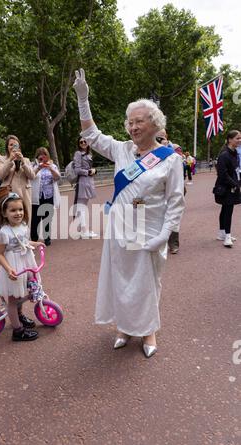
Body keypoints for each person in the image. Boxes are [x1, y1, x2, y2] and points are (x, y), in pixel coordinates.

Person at [73, 69, 185, 357]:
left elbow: (175, 201)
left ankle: (148, 331)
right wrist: (82, 98)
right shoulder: (122, 150)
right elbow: (91, 135)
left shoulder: (171, 160)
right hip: (120, 227)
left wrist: (164, 235)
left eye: (139, 121)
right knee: (121, 278)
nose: (133, 127)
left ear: (155, 124)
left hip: (149, 230)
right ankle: (124, 326)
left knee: (146, 282)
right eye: (130, 122)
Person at [0, 192, 44, 341]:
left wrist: (36, 244)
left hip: (26, 262)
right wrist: (9, 269)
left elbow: (25, 242)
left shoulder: (23, 226)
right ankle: (18, 331)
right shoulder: (4, 232)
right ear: (4, 213)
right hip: (13, 265)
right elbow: (0, 254)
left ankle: (20, 315)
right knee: (13, 299)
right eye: (13, 210)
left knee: (21, 292)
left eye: (20, 209)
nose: (18, 213)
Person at [0, 135, 35, 226]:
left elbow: (32, 176)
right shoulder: (1, 159)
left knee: (26, 220)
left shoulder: (26, 160)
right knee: (10, 222)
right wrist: (10, 159)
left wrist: (23, 162)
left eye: (15, 145)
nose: (13, 147)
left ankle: (26, 239)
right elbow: (0, 175)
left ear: (19, 147)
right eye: (11, 145)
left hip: (25, 195)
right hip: (9, 194)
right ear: (7, 147)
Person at [214, 130, 241, 247]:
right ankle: (227, 236)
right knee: (228, 211)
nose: (240, 140)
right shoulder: (224, 155)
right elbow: (223, 175)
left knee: (225, 209)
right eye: (237, 138)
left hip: (232, 186)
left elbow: (236, 170)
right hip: (226, 187)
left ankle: (222, 233)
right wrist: (235, 184)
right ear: (230, 139)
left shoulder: (234, 153)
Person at [30, 147, 61, 245]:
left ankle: (47, 238)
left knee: (47, 218)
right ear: (37, 157)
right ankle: (34, 239)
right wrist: (39, 167)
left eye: (45, 155)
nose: (42, 157)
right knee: (35, 219)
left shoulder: (52, 166)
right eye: (40, 155)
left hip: (48, 196)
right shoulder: (33, 165)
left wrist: (50, 168)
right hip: (36, 197)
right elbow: (30, 177)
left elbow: (57, 177)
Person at [73, 136, 98, 238]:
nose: (83, 143)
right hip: (83, 182)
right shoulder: (78, 154)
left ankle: (81, 230)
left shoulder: (89, 154)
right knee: (81, 207)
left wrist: (94, 171)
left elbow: (90, 168)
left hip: (88, 181)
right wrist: (88, 172)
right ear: (78, 144)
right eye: (81, 142)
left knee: (82, 207)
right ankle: (84, 231)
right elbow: (77, 170)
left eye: (84, 141)